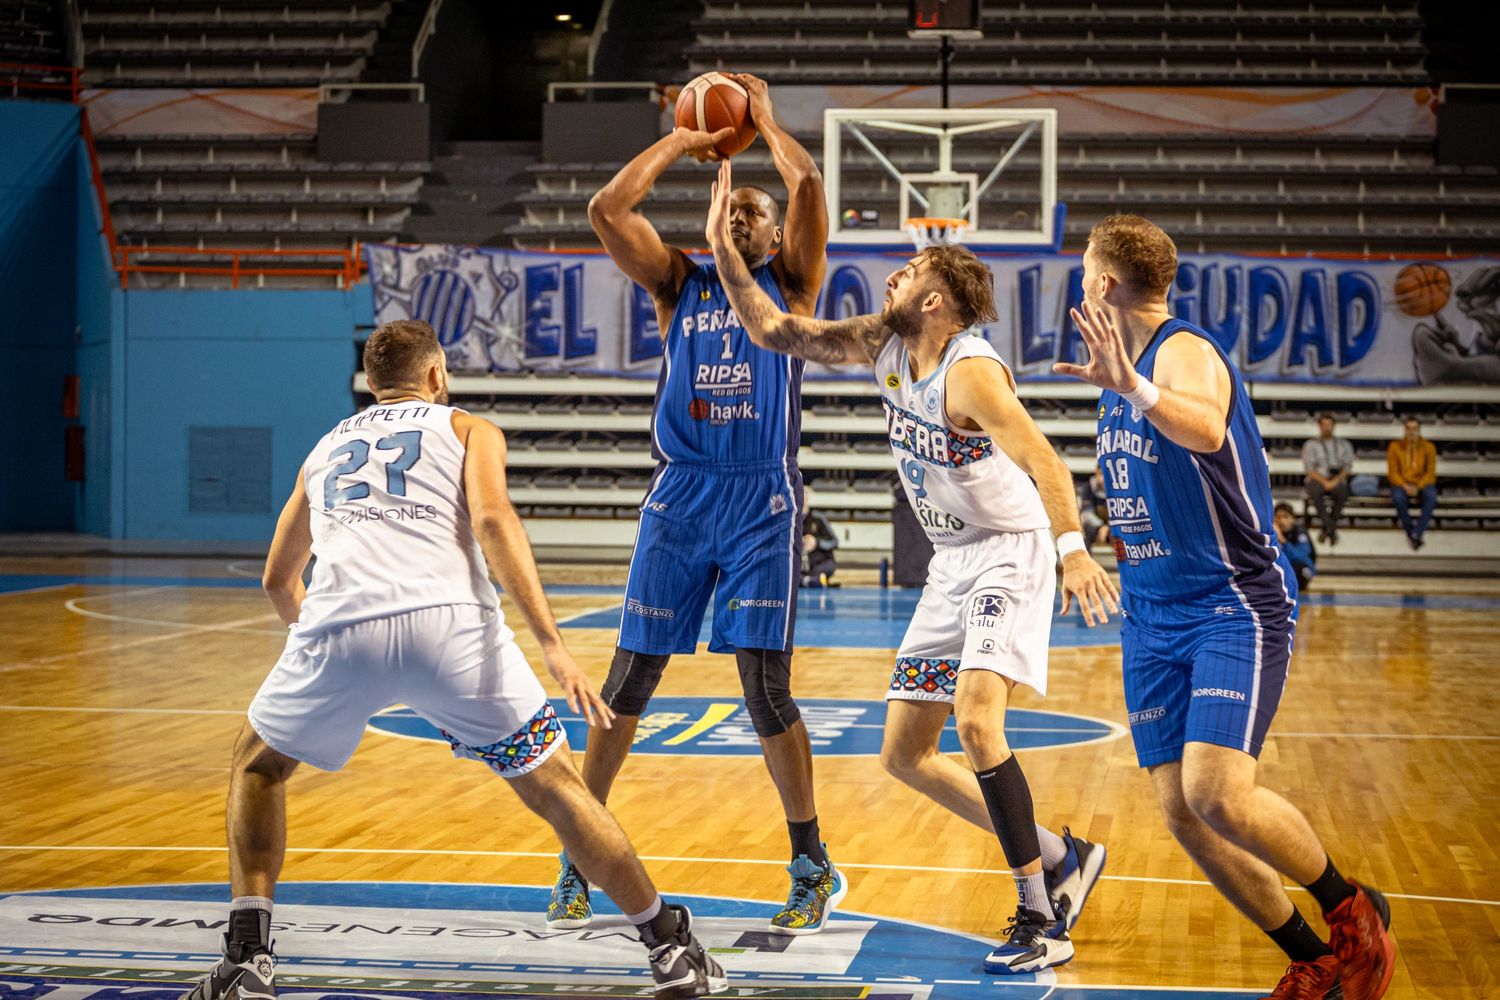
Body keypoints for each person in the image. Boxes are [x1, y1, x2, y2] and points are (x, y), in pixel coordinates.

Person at [187, 320, 725, 1000]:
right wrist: (553, 645)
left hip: (338, 623)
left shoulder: (324, 449)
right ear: (437, 376)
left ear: (372, 385)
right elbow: (494, 520)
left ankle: (246, 960)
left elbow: (276, 579)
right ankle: (668, 945)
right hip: (452, 627)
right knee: (557, 786)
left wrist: (334, 651)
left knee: (257, 766)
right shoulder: (470, 430)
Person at [703, 158, 1118, 975]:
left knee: (975, 722)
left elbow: (1048, 464)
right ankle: (1063, 856)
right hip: (951, 561)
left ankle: (1042, 915)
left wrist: (1074, 552)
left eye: (909, 272)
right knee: (903, 754)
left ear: (934, 301)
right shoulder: (881, 343)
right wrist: (723, 248)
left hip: (1010, 551)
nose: (890, 275)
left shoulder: (971, 371)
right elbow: (772, 330)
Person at [1057, 214, 1396, 1000]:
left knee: (1218, 792)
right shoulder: (1121, 370)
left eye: (1084, 269)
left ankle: (1352, 913)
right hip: (1151, 613)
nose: (1080, 281)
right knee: (1182, 811)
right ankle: (1311, 955)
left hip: (1228, 604)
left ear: (1105, 284)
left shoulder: (1181, 352)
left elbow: (1206, 428)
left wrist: (1135, 388)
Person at [558, 73, 844, 936]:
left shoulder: (792, 285)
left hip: (760, 495)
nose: (748, 222)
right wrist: (684, 142)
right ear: (715, 223)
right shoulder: (678, 284)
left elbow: (808, 187)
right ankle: (580, 853)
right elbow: (609, 211)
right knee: (628, 680)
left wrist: (763, 123)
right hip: (680, 496)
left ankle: (809, 859)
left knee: (765, 690)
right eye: (736, 213)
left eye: (756, 216)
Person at [1387, 416, 1438, 550]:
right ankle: (1413, 533)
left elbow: (1430, 473)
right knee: (1397, 497)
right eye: (1408, 428)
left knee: (1431, 497)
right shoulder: (1395, 447)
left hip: (1422, 483)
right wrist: (1405, 485)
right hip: (1402, 483)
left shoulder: (1429, 447)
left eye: (1414, 429)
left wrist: (1418, 486)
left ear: (1419, 430)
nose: (1411, 432)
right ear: (1404, 430)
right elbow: (1393, 473)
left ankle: (1416, 531)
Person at [1302, 413, 1353, 545]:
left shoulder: (1344, 444)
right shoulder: (1310, 444)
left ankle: (1327, 528)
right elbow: (1309, 469)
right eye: (1324, 425)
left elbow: (1347, 468)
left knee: (1342, 491)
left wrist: (1334, 481)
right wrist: (1324, 482)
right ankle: (1331, 527)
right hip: (1317, 478)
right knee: (1315, 491)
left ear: (1334, 426)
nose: (1327, 428)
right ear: (1319, 426)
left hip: (1337, 478)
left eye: (1329, 425)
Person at [1274, 502, 1318, 593]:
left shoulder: (1299, 532)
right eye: (1278, 517)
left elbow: (1302, 557)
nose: (1282, 521)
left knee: (1300, 569)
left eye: (1285, 517)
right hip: (1282, 570)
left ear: (1292, 519)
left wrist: (1283, 541)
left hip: (1300, 569)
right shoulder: (1270, 533)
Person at [801, 499, 839, 587]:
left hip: (820, 563)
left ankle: (807, 580)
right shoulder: (791, 521)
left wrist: (816, 542)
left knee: (825, 568)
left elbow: (834, 542)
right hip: (800, 564)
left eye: (804, 500)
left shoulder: (818, 518)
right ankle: (809, 581)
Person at [1078, 467, 1111, 549]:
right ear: (1096, 472)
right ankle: (1085, 558)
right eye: (1101, 474)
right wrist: (1100, 526)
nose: (1103, 478)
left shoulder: (1118, 488)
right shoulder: (1088, 487)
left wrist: (1108, 528)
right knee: (1086, 528)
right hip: (1096, 526)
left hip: (1112, 527)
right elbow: (1087, 513)